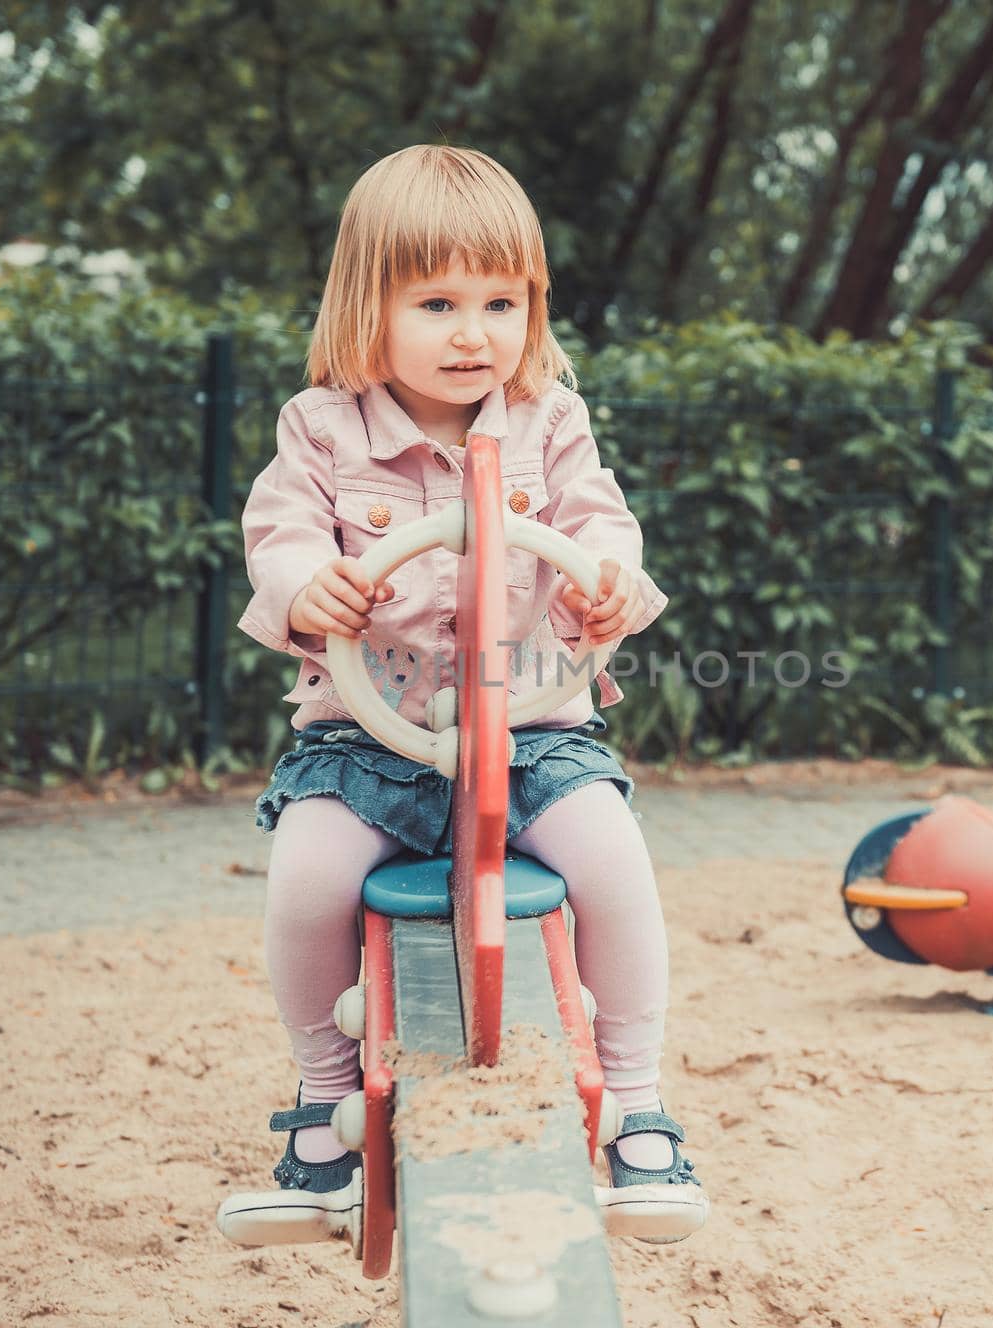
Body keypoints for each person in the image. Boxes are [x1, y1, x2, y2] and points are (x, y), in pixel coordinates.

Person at [219, 145, 706, 1247]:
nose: (474, 333)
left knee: (615, 864)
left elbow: (598, 524)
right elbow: (278, 533)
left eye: (501, 300)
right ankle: (321, 1116)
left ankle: (635, 1104)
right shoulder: (322, 426)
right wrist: (309, 585)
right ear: (368, 306)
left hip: (534, 729)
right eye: (436, 301)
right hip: (366, 742)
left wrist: (607, 589)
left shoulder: (545, 418)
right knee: (306, 879)